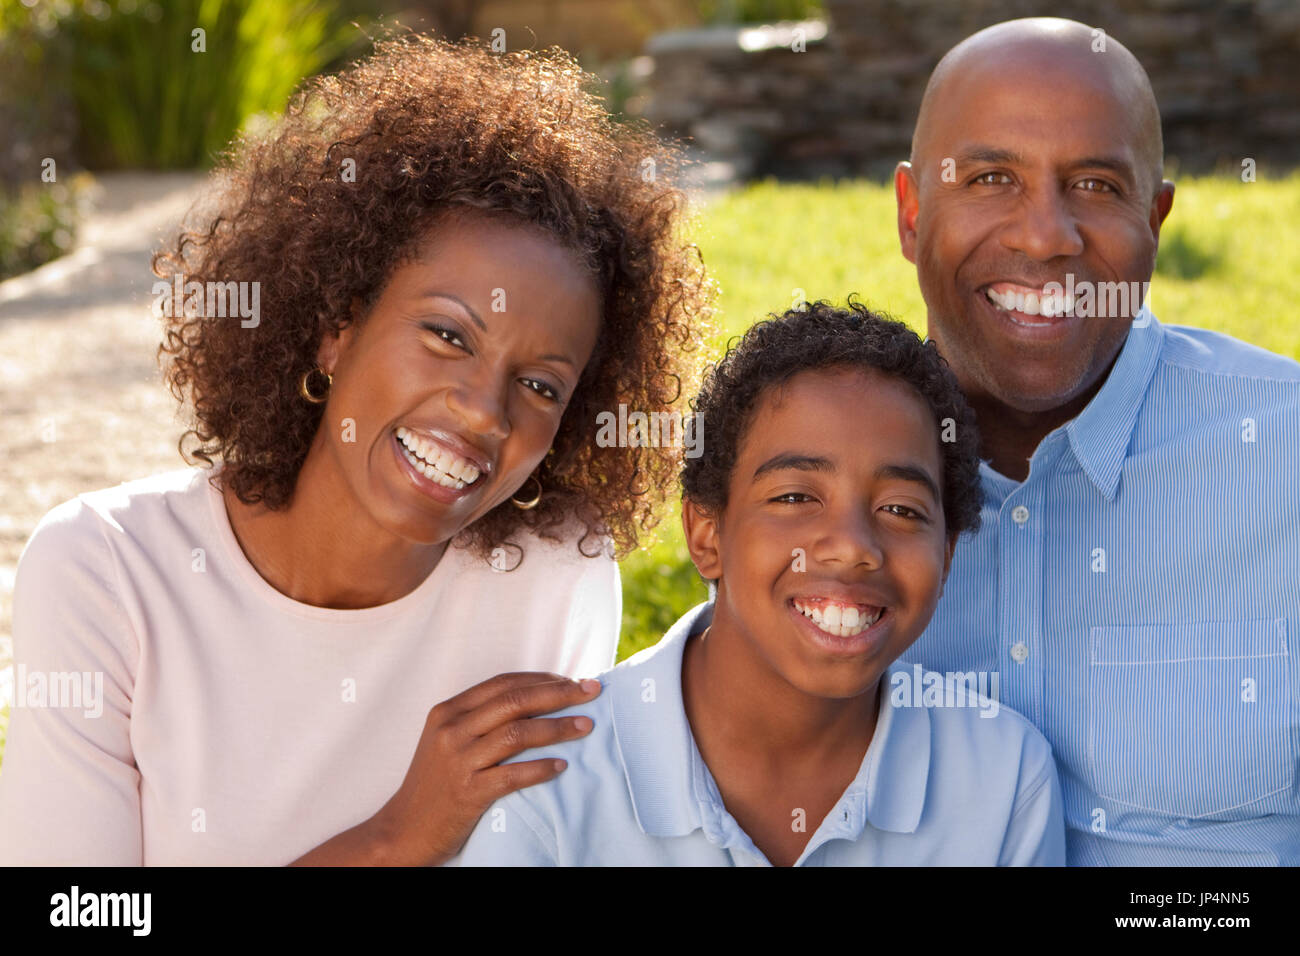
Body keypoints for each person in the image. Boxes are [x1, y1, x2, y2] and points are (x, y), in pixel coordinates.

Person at [0, 35, 713, 865]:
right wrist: (395, 838)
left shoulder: (551, 578)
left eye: (542, 386)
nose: (483, 412)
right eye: (447, 335)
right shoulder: (107, 571)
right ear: (337, 326)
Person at [451, 301, 1065, 866]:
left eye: (902, 510)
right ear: (706, 534)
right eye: (796, 496)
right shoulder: (550, 789)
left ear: (948, 553)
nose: (852, 545)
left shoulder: (1003, 778)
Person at [893, 17, 1300, 864]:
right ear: (910, 212)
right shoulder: (801, 481)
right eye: (992, 177)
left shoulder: (1283, 455)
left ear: (1156, 220)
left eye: (1095, 186)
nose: (1045, 236)